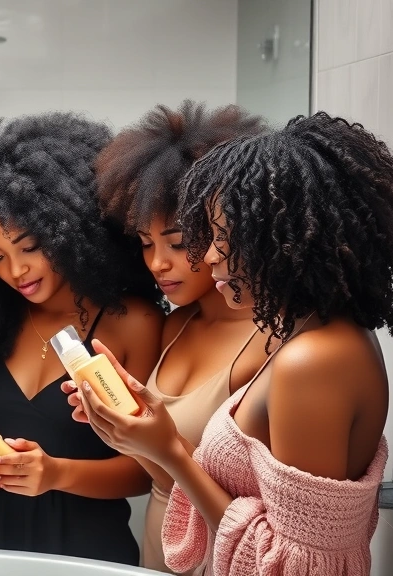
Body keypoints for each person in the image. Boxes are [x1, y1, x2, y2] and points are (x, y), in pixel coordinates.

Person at [76, 112, 393, 575]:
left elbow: (291, 568)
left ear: (280, 239)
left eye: (222, 238)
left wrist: (172, 450)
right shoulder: (317, 336)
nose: (210, 255)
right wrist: (149, 435)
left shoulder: (314, 359)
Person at [0, 112, 163, 563]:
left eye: (29, 248)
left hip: (87, 550)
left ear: (70, 229)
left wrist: (54, 474)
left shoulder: (130, 322)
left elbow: (147, 470)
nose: (16, 271)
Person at [92, 101, 268, 573]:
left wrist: (161, 446)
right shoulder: (176, 324)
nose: (157, 264)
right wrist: (122, 428)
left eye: (176, 242)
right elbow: (165, 479)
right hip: (160, 545)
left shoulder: (271, 339)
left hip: (227, 553)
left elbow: (267, 511)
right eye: (146, 244)